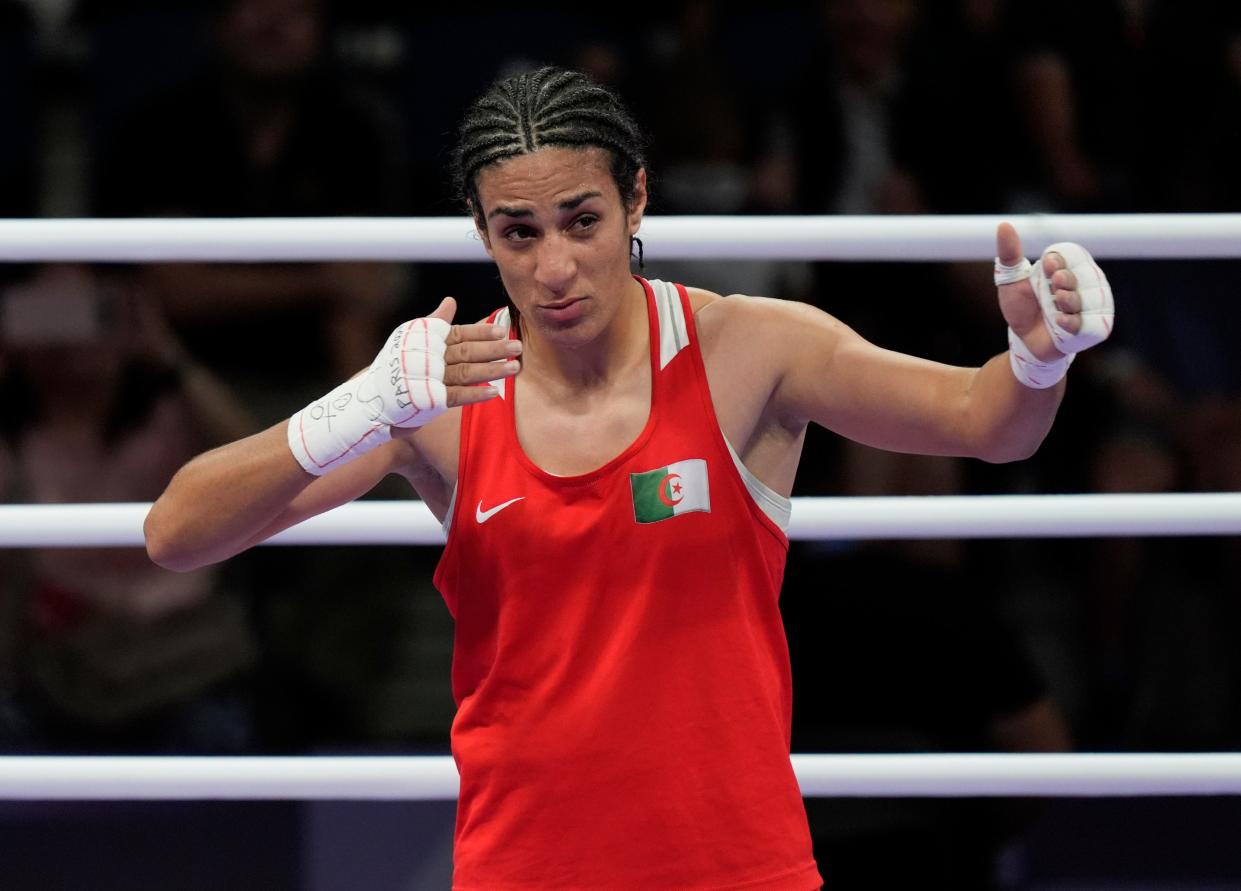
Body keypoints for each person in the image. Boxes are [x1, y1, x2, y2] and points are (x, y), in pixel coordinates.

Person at [145, 66, 1114, 890]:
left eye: (581, 220)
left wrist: (1036, 360)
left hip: (737, 867)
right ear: (482, 234)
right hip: (519, 869)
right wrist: (353, 406)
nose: (556, 265)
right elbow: (177, 534)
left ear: (635, 201)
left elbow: (986, 425)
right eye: (519, 232)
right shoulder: (436, 394)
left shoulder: (749, 349)